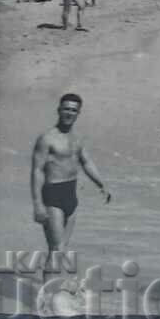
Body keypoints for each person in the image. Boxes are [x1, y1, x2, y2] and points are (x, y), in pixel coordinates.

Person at [30, 94, 110, 255]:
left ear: (78, 113)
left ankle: (52, 281)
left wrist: (102, 184)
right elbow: (37, 170)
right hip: (53, 194)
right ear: (59, 110)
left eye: (74, 110)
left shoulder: (78, 138)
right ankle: (50, 281)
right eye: (66, 109)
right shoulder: (47, 139)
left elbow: (86, 162)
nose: (69, 113)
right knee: (57, 249)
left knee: (61, 250)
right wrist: (38, 204)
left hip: (71, 194)